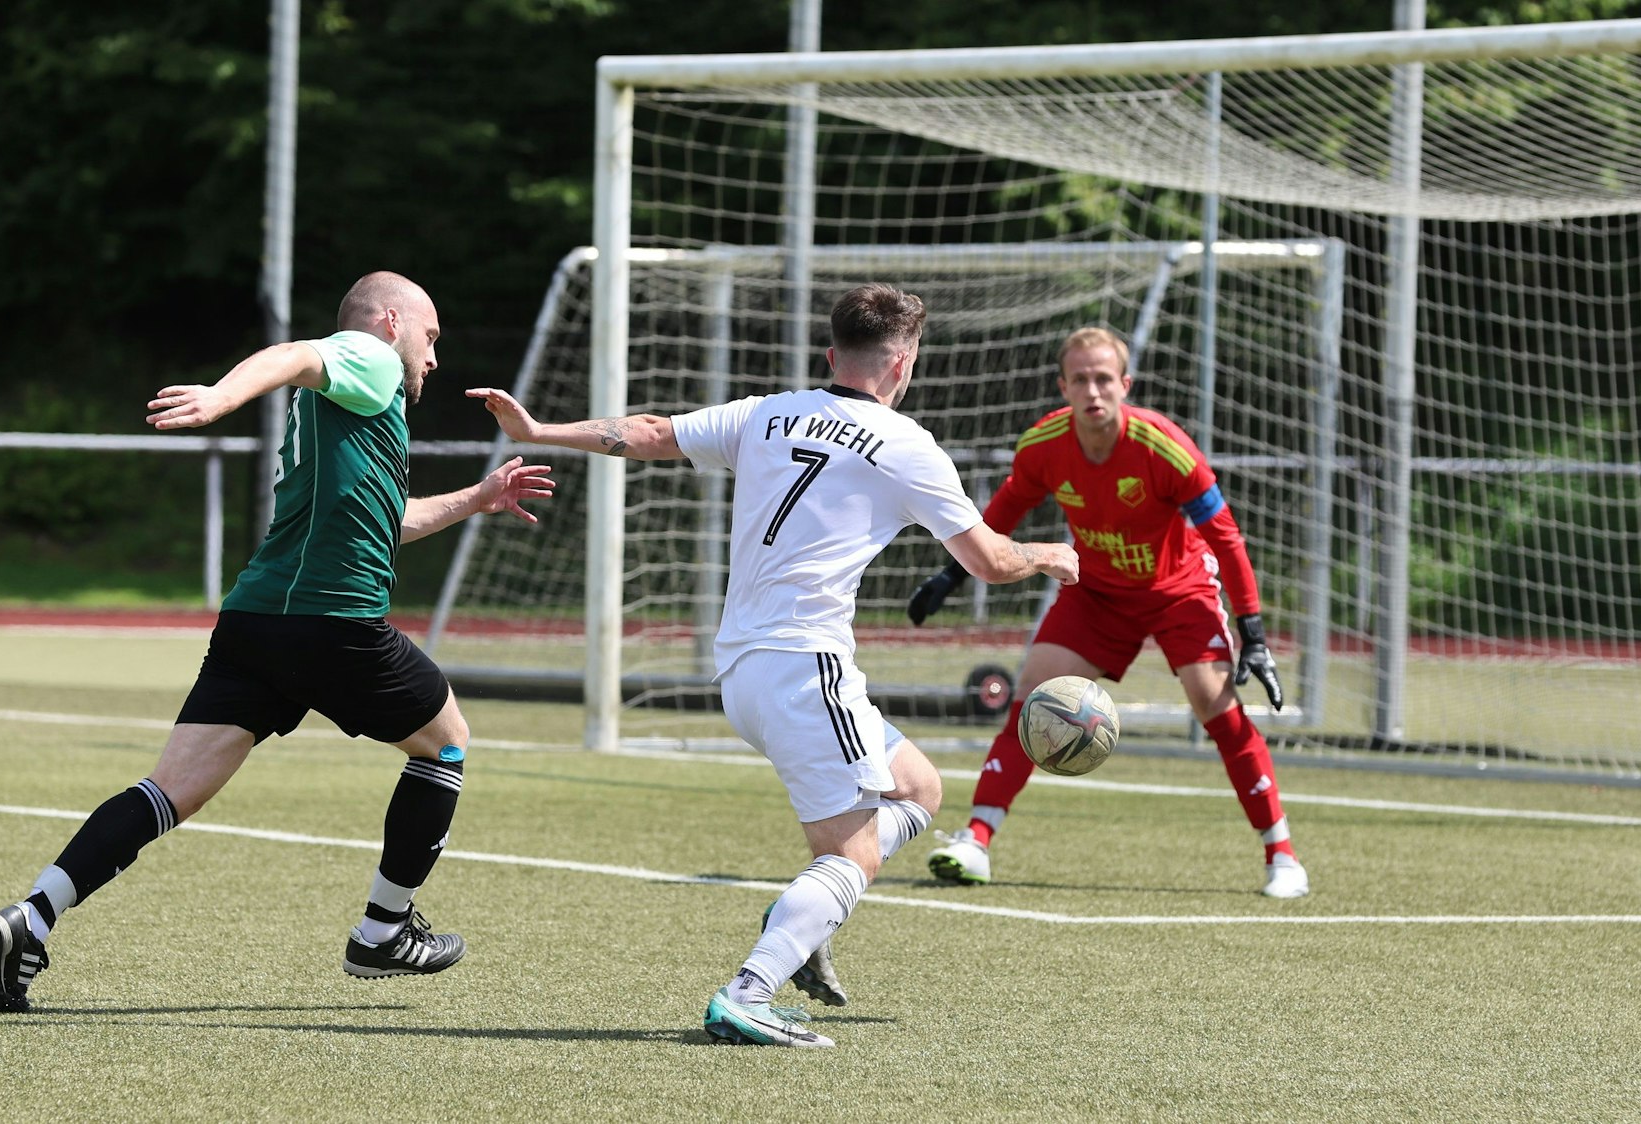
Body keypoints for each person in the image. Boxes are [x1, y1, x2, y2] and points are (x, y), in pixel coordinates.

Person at [473, 283, 1079, 1049]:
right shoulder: (905, 444)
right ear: (903, 363)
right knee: (856, 849)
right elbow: (989, 562)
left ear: (832, 355)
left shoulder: (764, 413)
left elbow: (651, 432)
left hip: (746, 676)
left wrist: (539, 428)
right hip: (804, 670)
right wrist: (1048, 555)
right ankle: (748, 991)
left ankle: (801, 921)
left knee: (917, 788)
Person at [0, 271, 556, 1013]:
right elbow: (296, 353)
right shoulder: (369, 356)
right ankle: (382, 931)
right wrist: (219, 397)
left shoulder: (347, 410)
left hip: (256, 625)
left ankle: (32, 917)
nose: (433, 358)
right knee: (445, 742)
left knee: (165, 792)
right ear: (389, 322)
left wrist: (478, 499)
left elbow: (393, 520)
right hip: (331, 622)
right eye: (431, 337)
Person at [910, 325, 1310, 899]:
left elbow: (1225, 538)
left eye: (1104, 378)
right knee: (1031, 691)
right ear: (1063, 387)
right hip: (1095, 590)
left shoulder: (1165, 448)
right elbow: (1007, 508)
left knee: (1214, 703)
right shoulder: (1044, 445)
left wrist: (1253, 631)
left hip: (1180, 588)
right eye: (1081, 379)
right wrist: (952, 572)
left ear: (1125, 384)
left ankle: (1282, 856)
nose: (1093, 390)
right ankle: (975, 840)